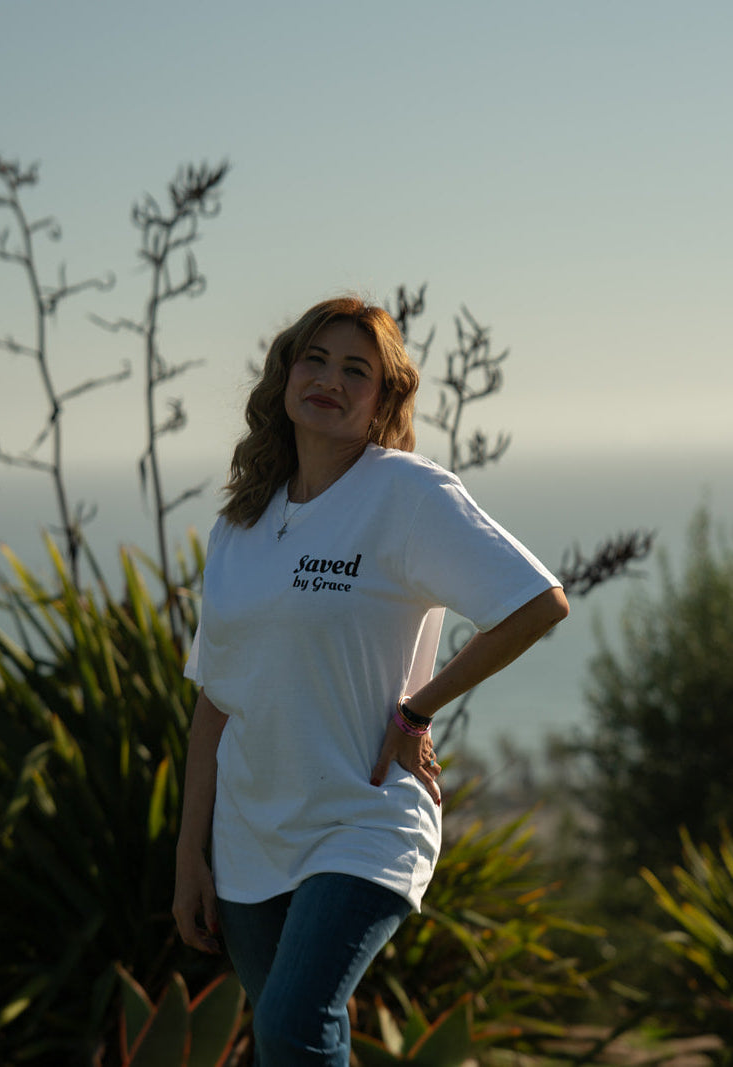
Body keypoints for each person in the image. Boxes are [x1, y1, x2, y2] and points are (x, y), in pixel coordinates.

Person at [172, 296, 569, 1065]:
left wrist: (417, 710)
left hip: (366, 816)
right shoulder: (240, 527)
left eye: (357, 370)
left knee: (294, 1023)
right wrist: (192, 852)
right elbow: (215, 702)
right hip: (250, 835)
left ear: (383, 398)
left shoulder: (406, 495)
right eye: (315, 359)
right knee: (289, 1042)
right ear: (285, 375)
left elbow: (535, 602)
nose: (329, 379)